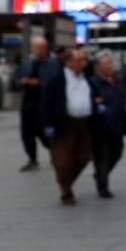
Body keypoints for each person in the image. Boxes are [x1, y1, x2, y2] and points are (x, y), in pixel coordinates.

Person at [41, 49, 96, 206]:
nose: (82, 63)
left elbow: (94, 95)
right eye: (79, 60)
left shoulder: (87, 79)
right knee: (62, 161)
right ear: (68, 62)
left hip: (85, 123)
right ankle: (66, 191)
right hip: (64, 124)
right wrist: (48, 125)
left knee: (84, 157)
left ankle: (65, 181)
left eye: (83, 60)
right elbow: (46, 104)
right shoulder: (57, 80)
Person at [90, 53, 126, 198]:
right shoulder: (93, 83)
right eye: (107, 63)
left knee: (117, 152)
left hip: (117, 123)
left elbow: (123, 96)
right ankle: (103, 186)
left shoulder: (116, 80)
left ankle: (101, 174)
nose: (110, 66)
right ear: (98, 67)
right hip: (100, 125)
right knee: (102, 155)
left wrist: (125, 109)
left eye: (110, 63)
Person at [16, 37, 60, 172]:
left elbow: (57, 84)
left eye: (42, 48)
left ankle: (55, 153)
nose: (39, 51)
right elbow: (15, 81)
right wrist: (22, 82)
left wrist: (40, 83)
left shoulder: (53, 65)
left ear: (46, 49)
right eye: (37, 48)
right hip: (28, 103)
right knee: (26, 133)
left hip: (44, 103)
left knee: (44, 132)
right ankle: (32, 159)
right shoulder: (26, 64)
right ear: (33, 49)